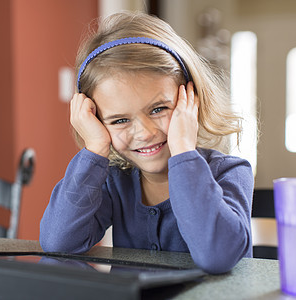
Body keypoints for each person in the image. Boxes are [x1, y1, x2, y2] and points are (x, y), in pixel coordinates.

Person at [40, 11, 254, 274]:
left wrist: (183, 151)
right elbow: (58, 245)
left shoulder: (230, 172)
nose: (144, 132)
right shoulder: (114, 180)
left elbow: (218, 256)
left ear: (190, 100)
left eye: (158, 109)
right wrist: (94, 148)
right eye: (119, 120)